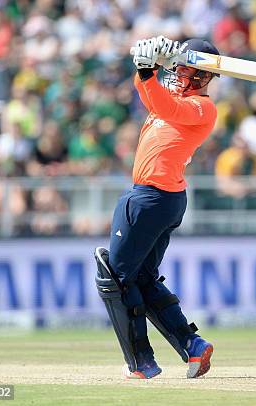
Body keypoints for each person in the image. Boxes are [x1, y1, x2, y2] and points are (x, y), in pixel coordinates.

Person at [95, 37, 218, 380]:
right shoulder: (169, 96)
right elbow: (152, 95)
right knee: (142, 278)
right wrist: (145, 68)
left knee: (115, 278)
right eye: (188, 70)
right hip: (159, 198)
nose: (192, 79)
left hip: (153, 197)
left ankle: (142, 363)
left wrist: (150, 71)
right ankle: (192, 346)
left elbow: (167, 108)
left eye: (199, 75)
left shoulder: (202, 108)